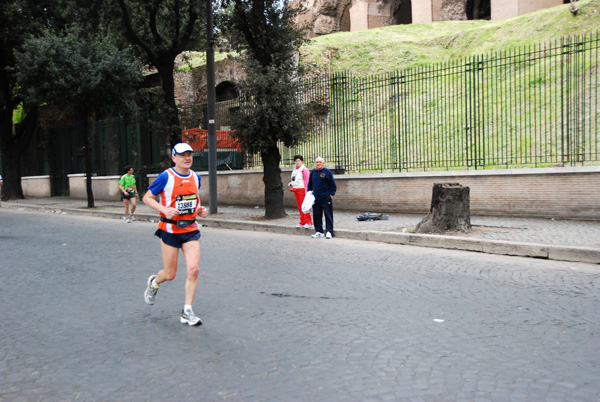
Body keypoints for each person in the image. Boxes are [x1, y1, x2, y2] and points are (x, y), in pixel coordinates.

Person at [142, 143, 208, 326]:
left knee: (194, 269)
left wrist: (200, 209)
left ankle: (187, 311)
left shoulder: (196, 177)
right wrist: (164, 209)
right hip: (170, 230)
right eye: (182, 155)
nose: (187, 158)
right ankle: (154, 282)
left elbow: (195, 196)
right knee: (170, 274)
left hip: (190, 229)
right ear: (174, 158)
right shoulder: (166, 176)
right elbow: (147, 198)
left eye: (189, 155)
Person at [307, 156, 337, 239]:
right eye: (317, 162)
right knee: (316, 215)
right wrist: (309, 194)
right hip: (315, 198)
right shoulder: (313, 172)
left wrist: (331, 194)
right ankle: (319, 231)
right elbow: (310, 184)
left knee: (328, 215)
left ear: (323, 163)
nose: (318, 163)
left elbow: (333, 184)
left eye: (320, 162)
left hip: (325, 197)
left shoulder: (327, 172)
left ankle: (329, 232)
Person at [289, 155, 313, 229]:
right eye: (296, 161)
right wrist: (291, 183)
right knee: (299, 207)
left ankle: (309, 222)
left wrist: (307, 190)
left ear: (301, 161)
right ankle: (302, 221)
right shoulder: (295, 170)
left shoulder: (304, 169)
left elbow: (307, 180)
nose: (297, 162)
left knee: (305, 207)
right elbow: (295, 179)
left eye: (298, 161)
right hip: (296, 189)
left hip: (302, 190)